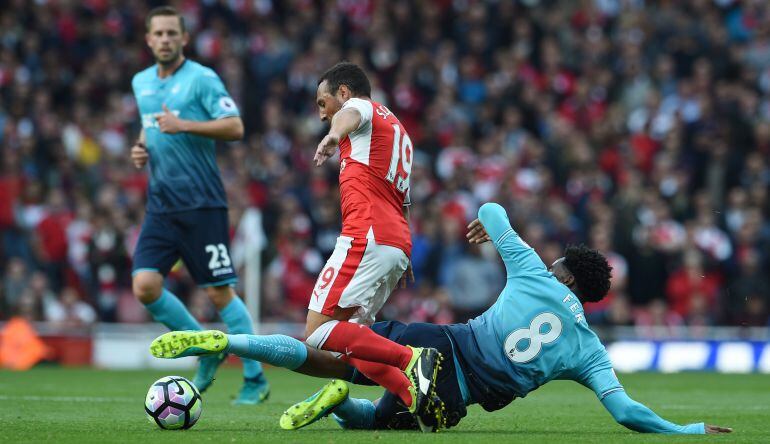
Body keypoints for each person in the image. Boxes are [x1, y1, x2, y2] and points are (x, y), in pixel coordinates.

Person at [150, 203, 732, 434]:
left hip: (435, 345)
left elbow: (491, 207)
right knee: (372, 425)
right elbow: (627, 412)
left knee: (324, 344)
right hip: (454, 398)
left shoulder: (533, 271)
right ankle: (340, 401)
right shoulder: (588, 351)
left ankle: (231, 342)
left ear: (566, 273)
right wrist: (686, 431)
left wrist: (491, 227)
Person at [130, 6, 268, 404]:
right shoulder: (141, 82)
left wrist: (185, 125)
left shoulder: (202, 79)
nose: (166, 39)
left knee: (220, 294)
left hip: (202, 204)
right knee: (145, 285)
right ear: (149, 39)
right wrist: (142, 146)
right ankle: (207, 348)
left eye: (173, 33)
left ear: (184, 38)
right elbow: (150, 121)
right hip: (161, 206)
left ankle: (255, 377)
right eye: (159, 33)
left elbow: (236, 127)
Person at [303, 62, 441, 422]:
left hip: (366, 235)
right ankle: (416, 399)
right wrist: (405, 252)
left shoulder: (362, 109)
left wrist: (334, 135)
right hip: (394, 242)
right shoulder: (398, 130)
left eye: (323, 103)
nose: (322, 114)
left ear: (344, 93)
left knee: (318, 334)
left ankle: (409, 359)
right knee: (352, 340)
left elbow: (349, 115)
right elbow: (403, 199)